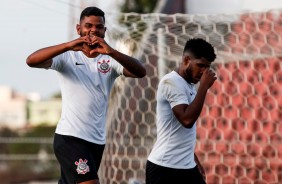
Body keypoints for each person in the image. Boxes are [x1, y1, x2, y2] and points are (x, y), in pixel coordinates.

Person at [26, 7, 146, 184]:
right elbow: (31, 60)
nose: (93, 30)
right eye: (88, 25)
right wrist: (68, 45)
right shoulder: (66, 57)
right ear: (79, 29)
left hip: (96, 141)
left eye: (98, 27)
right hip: (70, 138)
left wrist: (112, 51)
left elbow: (140, 72)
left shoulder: (110, 59)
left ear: (104, 31)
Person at [146, 38, 216, 184]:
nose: (203, 72)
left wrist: (193, 159)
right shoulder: (171, 82)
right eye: (200, 65)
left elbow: (183, 134)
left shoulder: (188, 85)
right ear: (185, 60)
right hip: (164, 168)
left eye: (207, 67)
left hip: (186, 166)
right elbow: (187, 120)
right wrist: (203, 87)